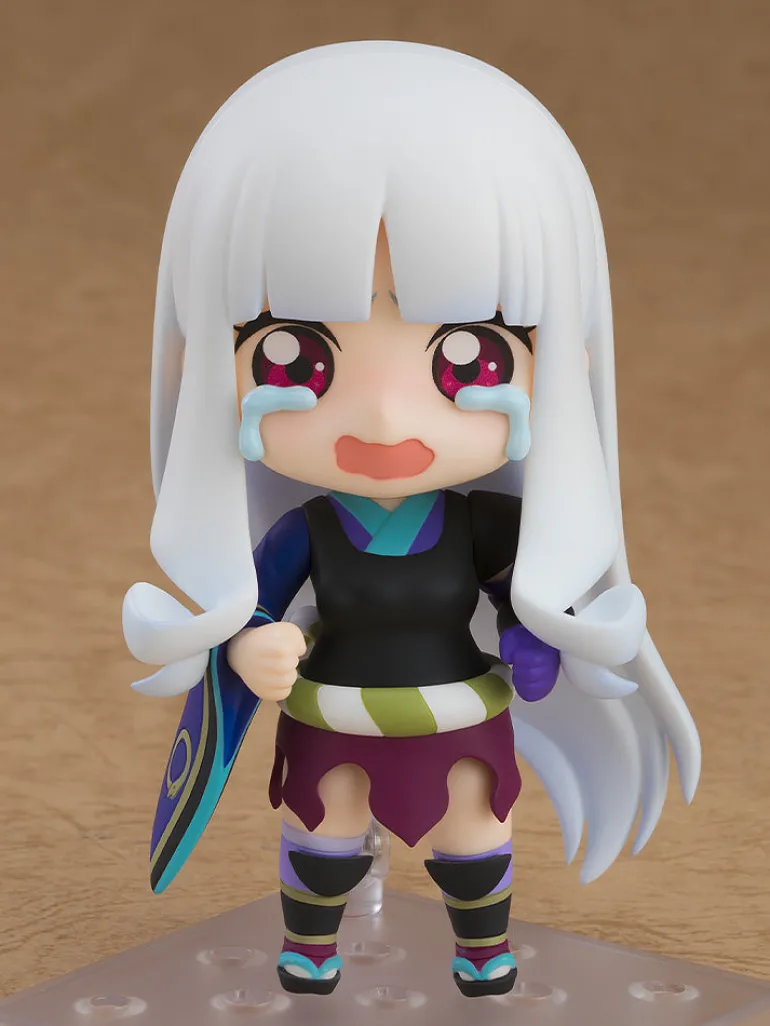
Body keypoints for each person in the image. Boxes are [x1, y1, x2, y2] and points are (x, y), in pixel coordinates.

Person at [123, 41, 701, 998]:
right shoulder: (308, 533)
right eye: (295, 355)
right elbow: (255, 609)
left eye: (469, 355)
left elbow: (519, 597)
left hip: (458, 714)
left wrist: (533, 637)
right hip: (332, 715)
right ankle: (311, 947)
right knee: (326, 831)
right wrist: (250, 647)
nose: (386, 416)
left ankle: (483, 949)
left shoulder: (482, 527)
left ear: (565, 360)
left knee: (473, 830)